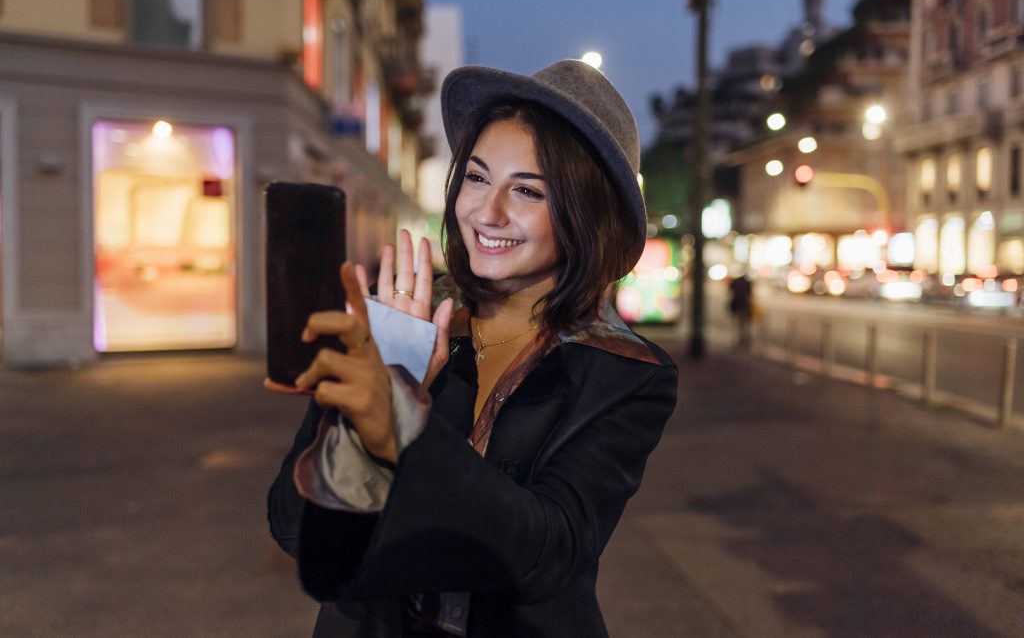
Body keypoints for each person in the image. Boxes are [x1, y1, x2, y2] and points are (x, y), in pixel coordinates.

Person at [266, 59, 679, 637]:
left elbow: (548, 554)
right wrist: (375, 402)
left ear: (587, 214)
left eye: (528, 190)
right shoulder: (397, 319)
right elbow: (294, 528)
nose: (487, 212)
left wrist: (405, 423)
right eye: (478, 177)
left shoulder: (626, 371)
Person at [728, 271, 753, 347]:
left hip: (736, 305)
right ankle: (743, 339)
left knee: (738, 323)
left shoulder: (735, 281)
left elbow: (730, 289)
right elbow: (750, 293)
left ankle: (739, 339)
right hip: (743, 305)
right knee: (744, 324)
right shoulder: (747, 283)